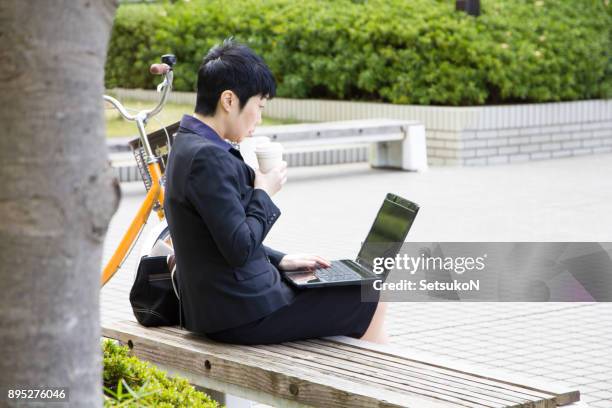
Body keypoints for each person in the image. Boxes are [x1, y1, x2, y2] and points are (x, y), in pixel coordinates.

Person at [163, 39, 388, 345]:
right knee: (371, 293)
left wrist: (281, 261)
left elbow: (217, 235)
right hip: (243, 312)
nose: (260, 117)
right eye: (259, 105)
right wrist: (264, 191)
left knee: (352, 293)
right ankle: (376, 386)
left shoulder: (186, 142)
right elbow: (238, 248)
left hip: (223, 307)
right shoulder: (208, 158)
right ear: (229, 101)